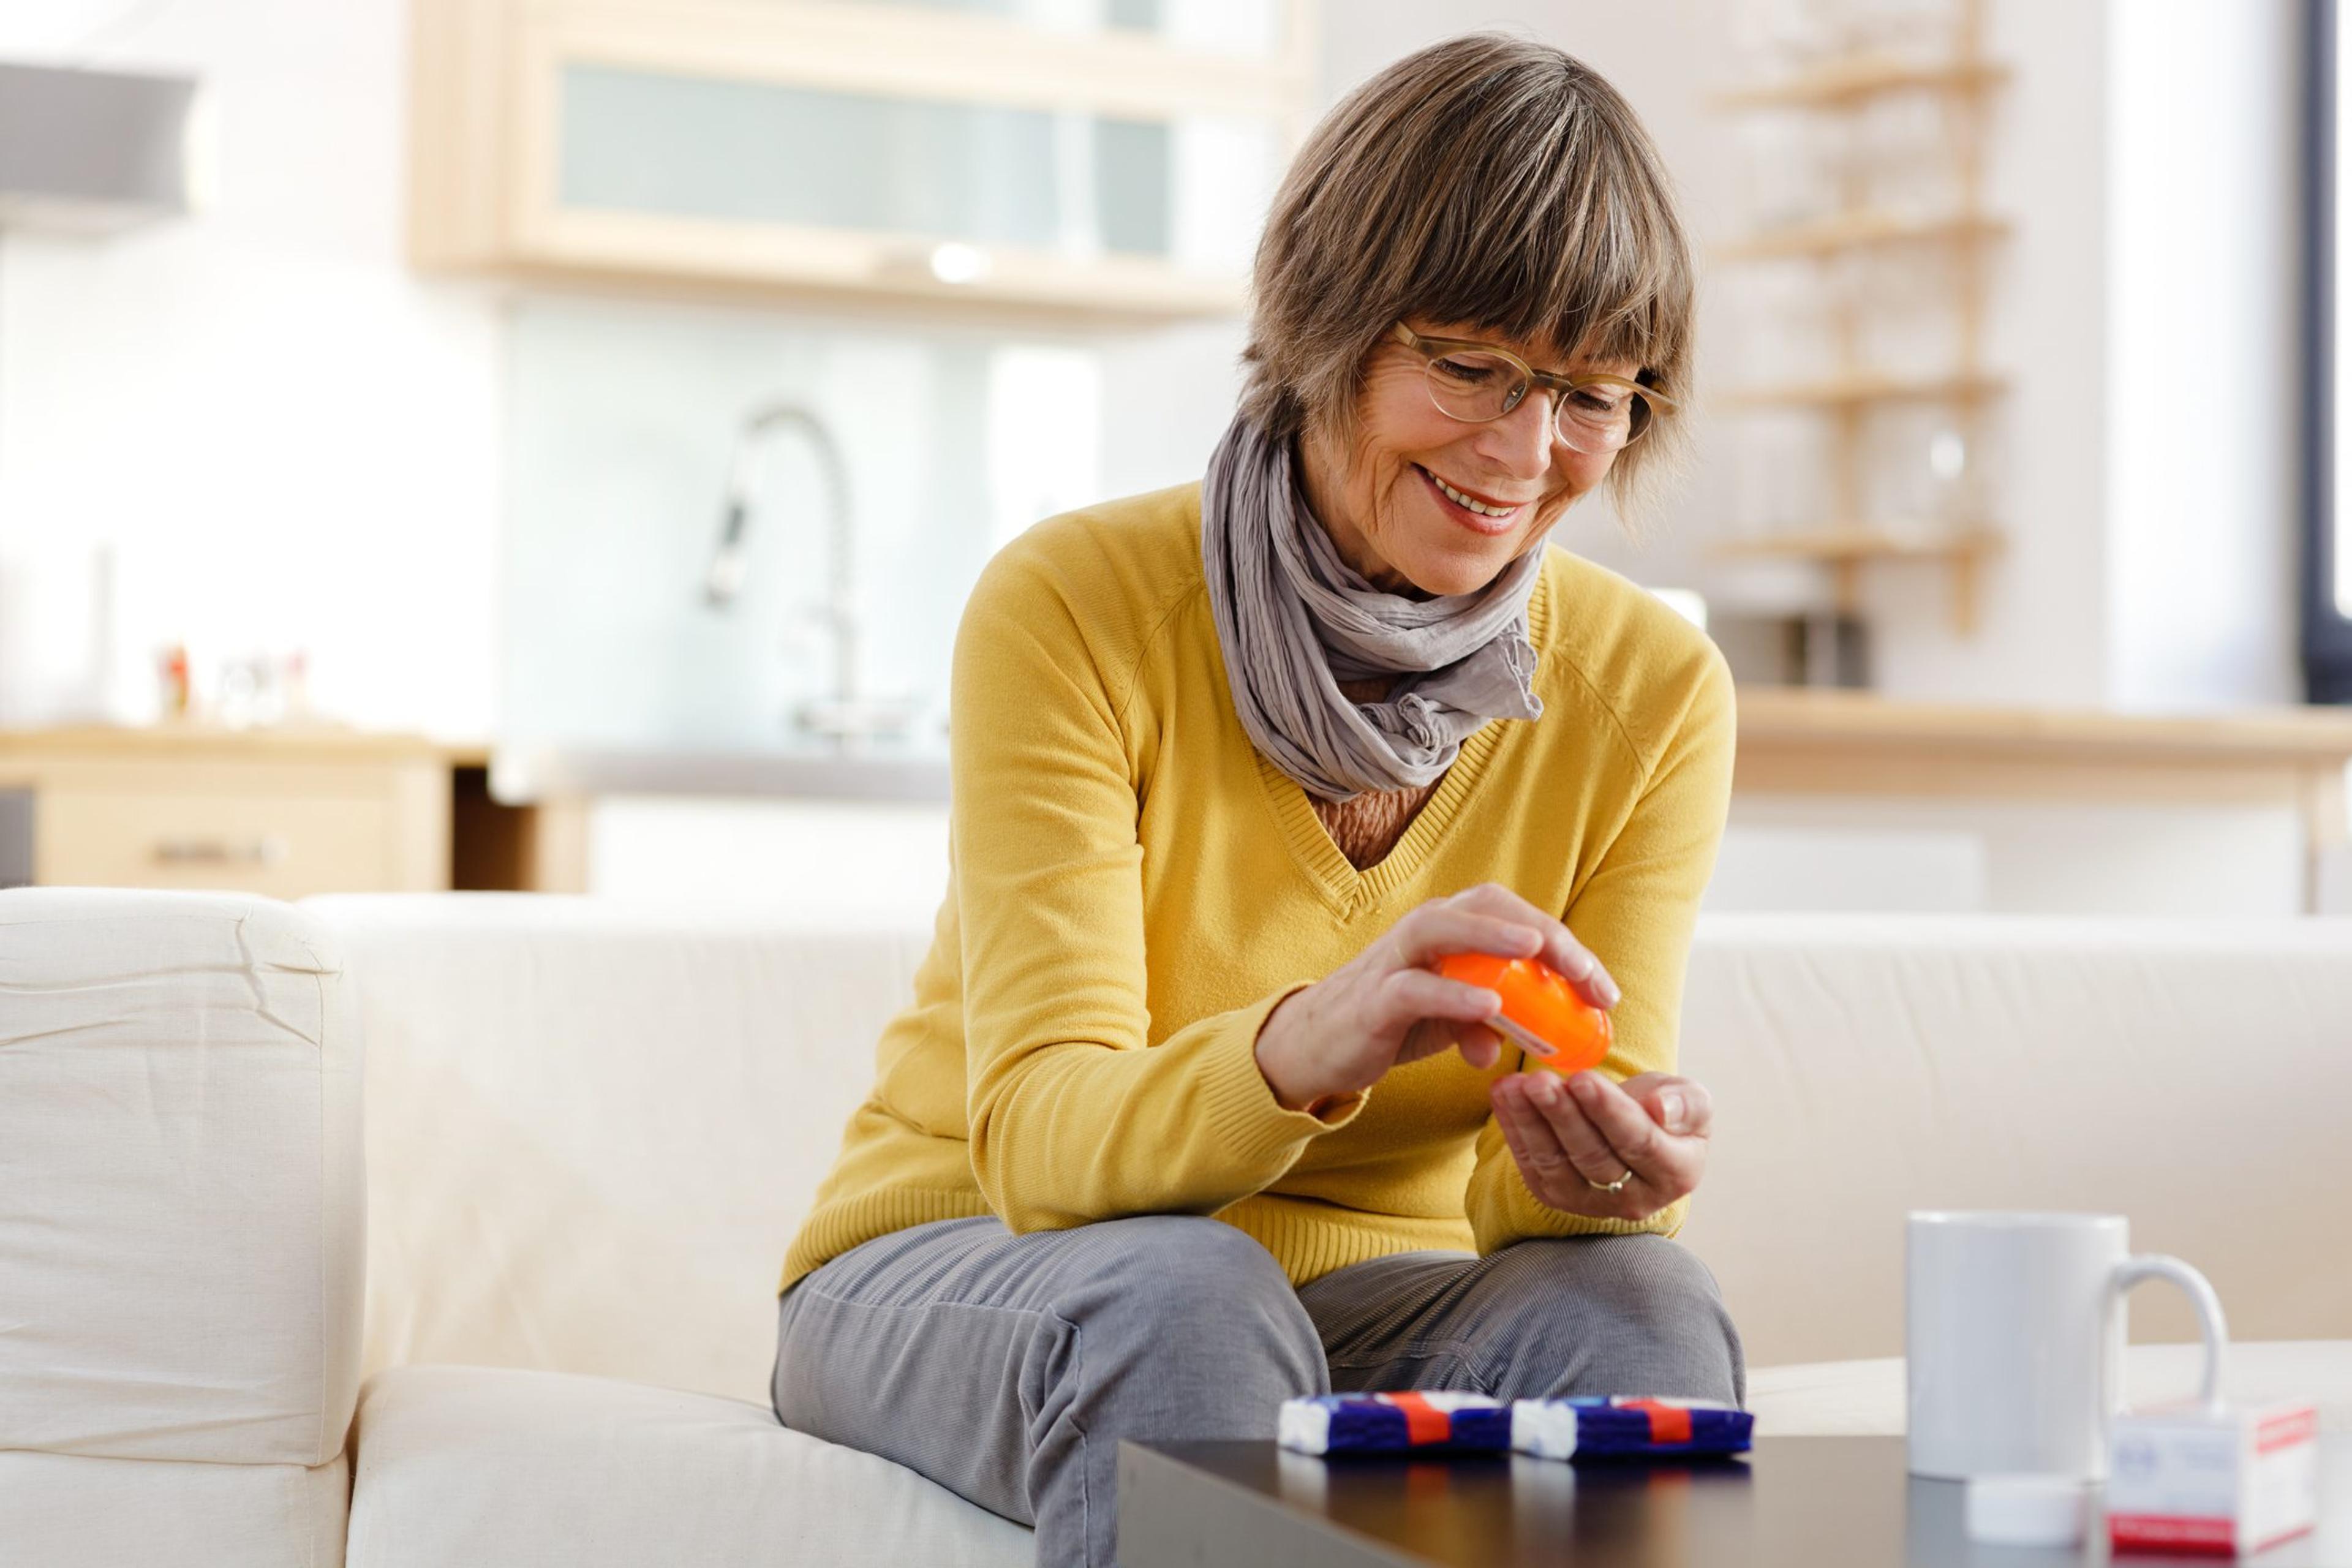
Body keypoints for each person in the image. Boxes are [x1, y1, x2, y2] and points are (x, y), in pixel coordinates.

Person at [771, 31, 1740, 1568]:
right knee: (1185, 1295)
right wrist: (1309, 1038)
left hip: (1371, 1302)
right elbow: (1037, 1139)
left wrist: (1611, 1165)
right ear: (1324, 328)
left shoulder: (1652, 694)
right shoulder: (1078, 606)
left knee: (1646, 1305)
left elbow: (1533, 1196)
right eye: (1469, 365)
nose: (1523, 450)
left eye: (1589, 394)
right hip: (974, 1257)